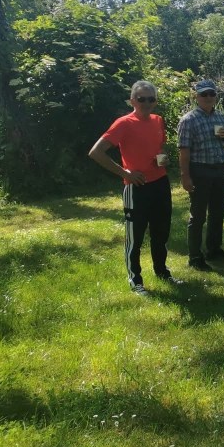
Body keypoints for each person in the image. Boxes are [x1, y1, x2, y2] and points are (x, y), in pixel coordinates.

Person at [88, 80, 180, 294]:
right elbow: (96, 152)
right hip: (136, 187)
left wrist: (163, 157)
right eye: (141, 99)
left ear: (155, 101)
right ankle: (135, 280)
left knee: (161, 231)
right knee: (135, 236)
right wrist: (125, 173)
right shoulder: (123, 123)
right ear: (132, 101)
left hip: (160, 183)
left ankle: (162, 272)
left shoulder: (158, 120)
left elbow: (159, 146)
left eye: (151, 99)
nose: (146, 103)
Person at [177, 79, 224, 271]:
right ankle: (195, 256)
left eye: (211, 94)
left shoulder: (221, 117)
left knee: (218, 212)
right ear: (196, 97)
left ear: (216, 96)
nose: (208, 97)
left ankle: (214, 249)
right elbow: (184, 151)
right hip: (199, 170)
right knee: (198, 214)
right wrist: (185, 176)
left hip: (219, 169)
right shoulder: (189, 120)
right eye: (204, 94)